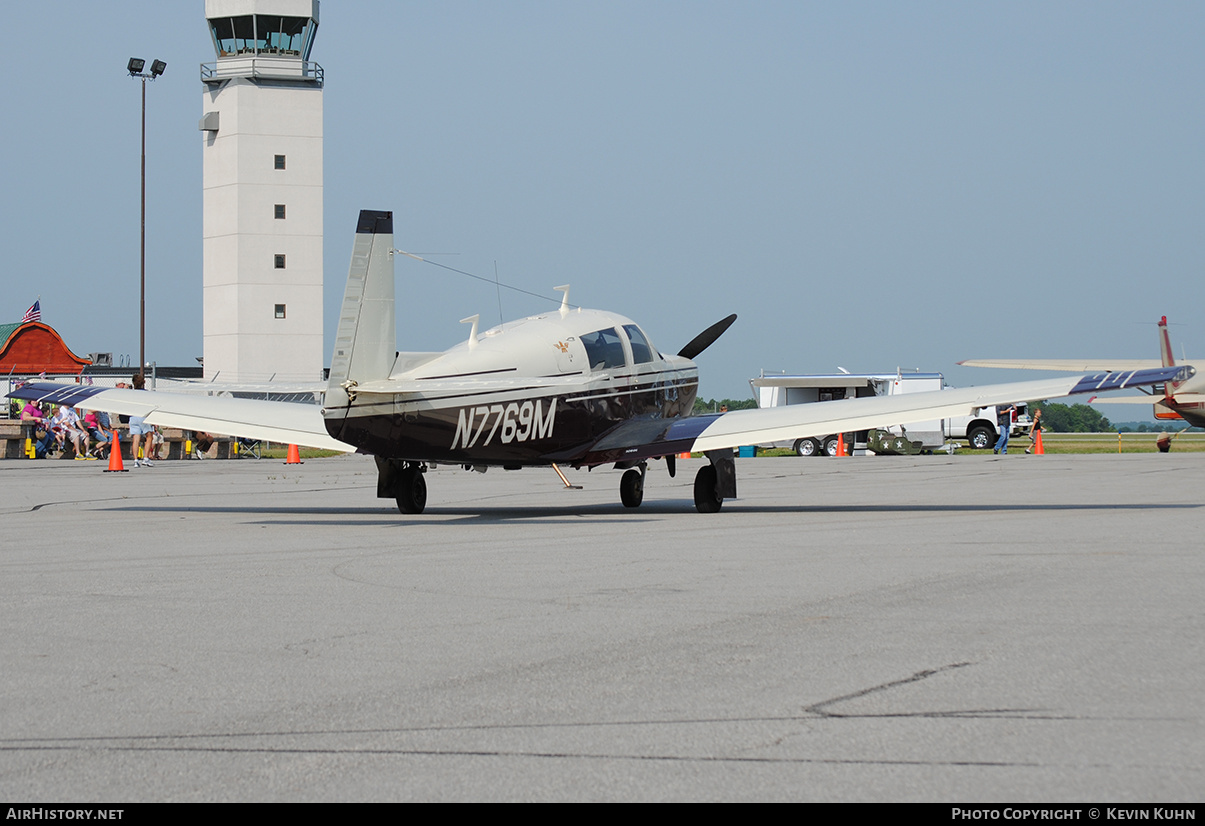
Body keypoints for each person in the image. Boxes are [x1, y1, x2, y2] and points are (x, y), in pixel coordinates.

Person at [128, 374, 153, 467]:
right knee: (149, 436)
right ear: (144, 382)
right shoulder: (146, 394)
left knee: (136, 439)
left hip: (133, 417)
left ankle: (135, 460)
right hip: (143, 416)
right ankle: (146, 458)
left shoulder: (131, 394)